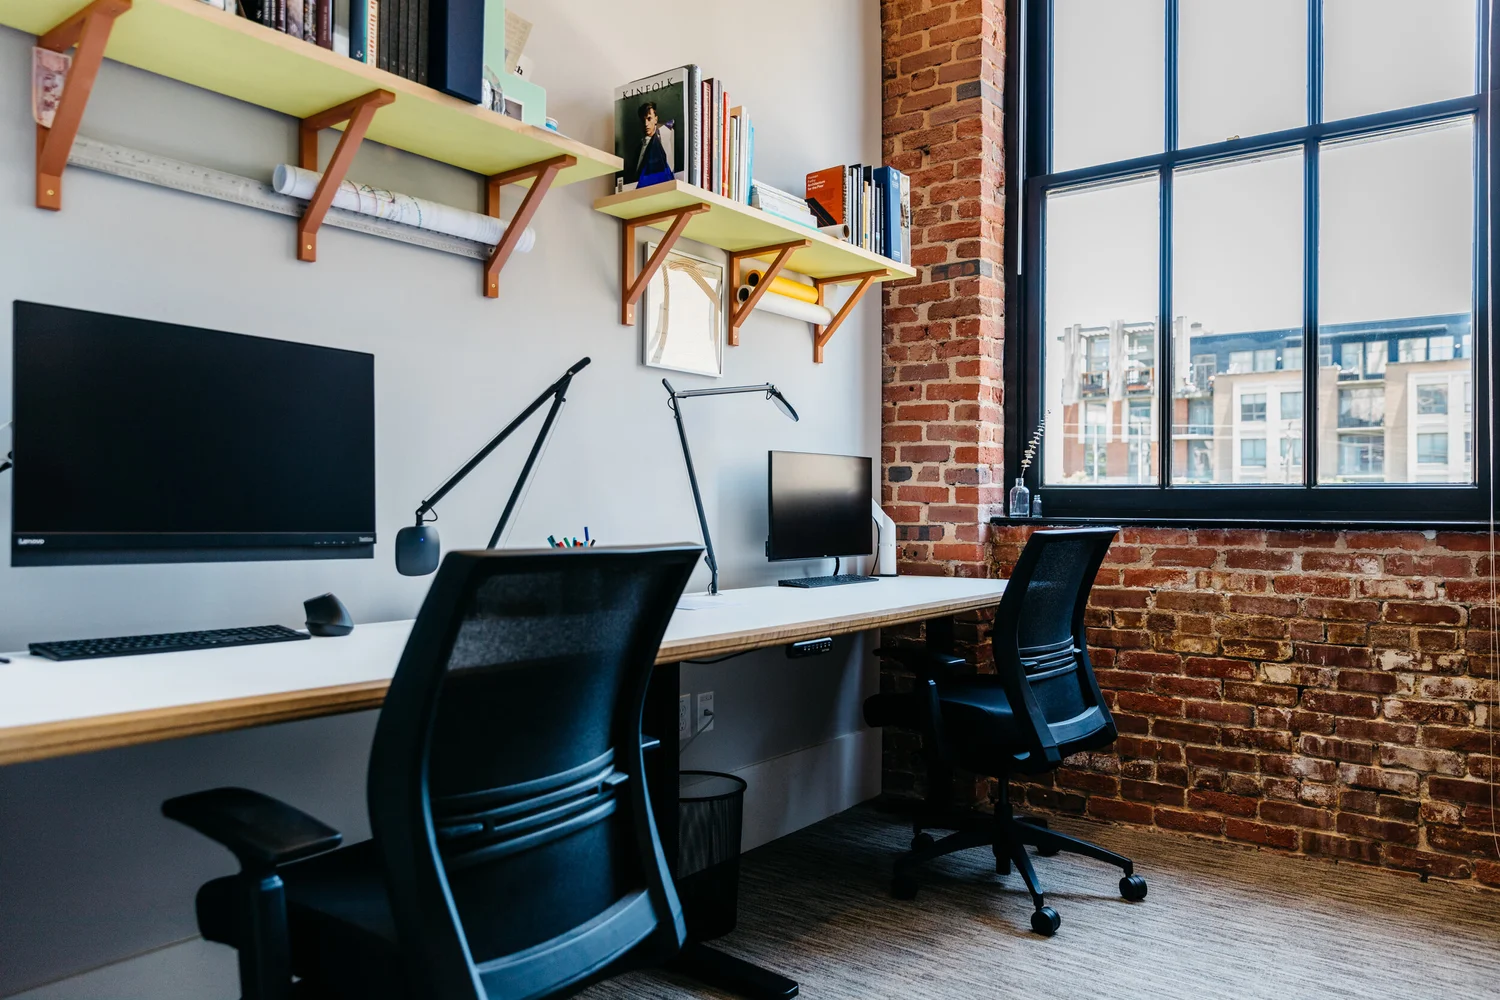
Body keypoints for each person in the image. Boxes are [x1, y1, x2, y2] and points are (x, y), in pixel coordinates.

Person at [635, 101, 676, 188]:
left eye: (649, 119)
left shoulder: (663, 140)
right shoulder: (638, 148)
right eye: (643, 120)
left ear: (656, 119)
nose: (646, 124)